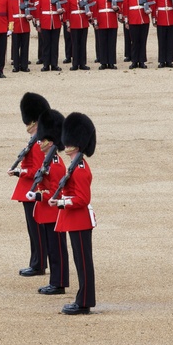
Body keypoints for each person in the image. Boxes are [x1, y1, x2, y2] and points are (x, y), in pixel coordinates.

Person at [50, 112, 97, 315]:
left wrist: (60, 202)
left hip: (80, 220)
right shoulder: (74, 165)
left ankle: (85, 301)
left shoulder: (80, 168)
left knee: (83, 262)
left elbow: (82, 199)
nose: (65, 145)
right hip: (75, 220)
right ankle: (82, 298)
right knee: (80, 262)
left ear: (75, 145)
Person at [26, 108, 67, 296]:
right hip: (46, 212)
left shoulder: (56, 164)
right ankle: (55, 281)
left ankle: (58, 283)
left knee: (56, 250)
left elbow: (55, 192)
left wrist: (38, 195)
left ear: (50, 142)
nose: (40, 143)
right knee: (52, 250)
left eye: (43, 140)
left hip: (53, 212)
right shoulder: (47, 162)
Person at [9, 93, 50, 278]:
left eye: (30, 122)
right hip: (28, 190)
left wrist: (20, 172)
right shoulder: (34, 140)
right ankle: (36, 261)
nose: (28, 126)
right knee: (32, 229)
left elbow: (39, 170)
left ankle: (39, 263)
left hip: (34, 190)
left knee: (37, 230)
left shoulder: (39, 142)